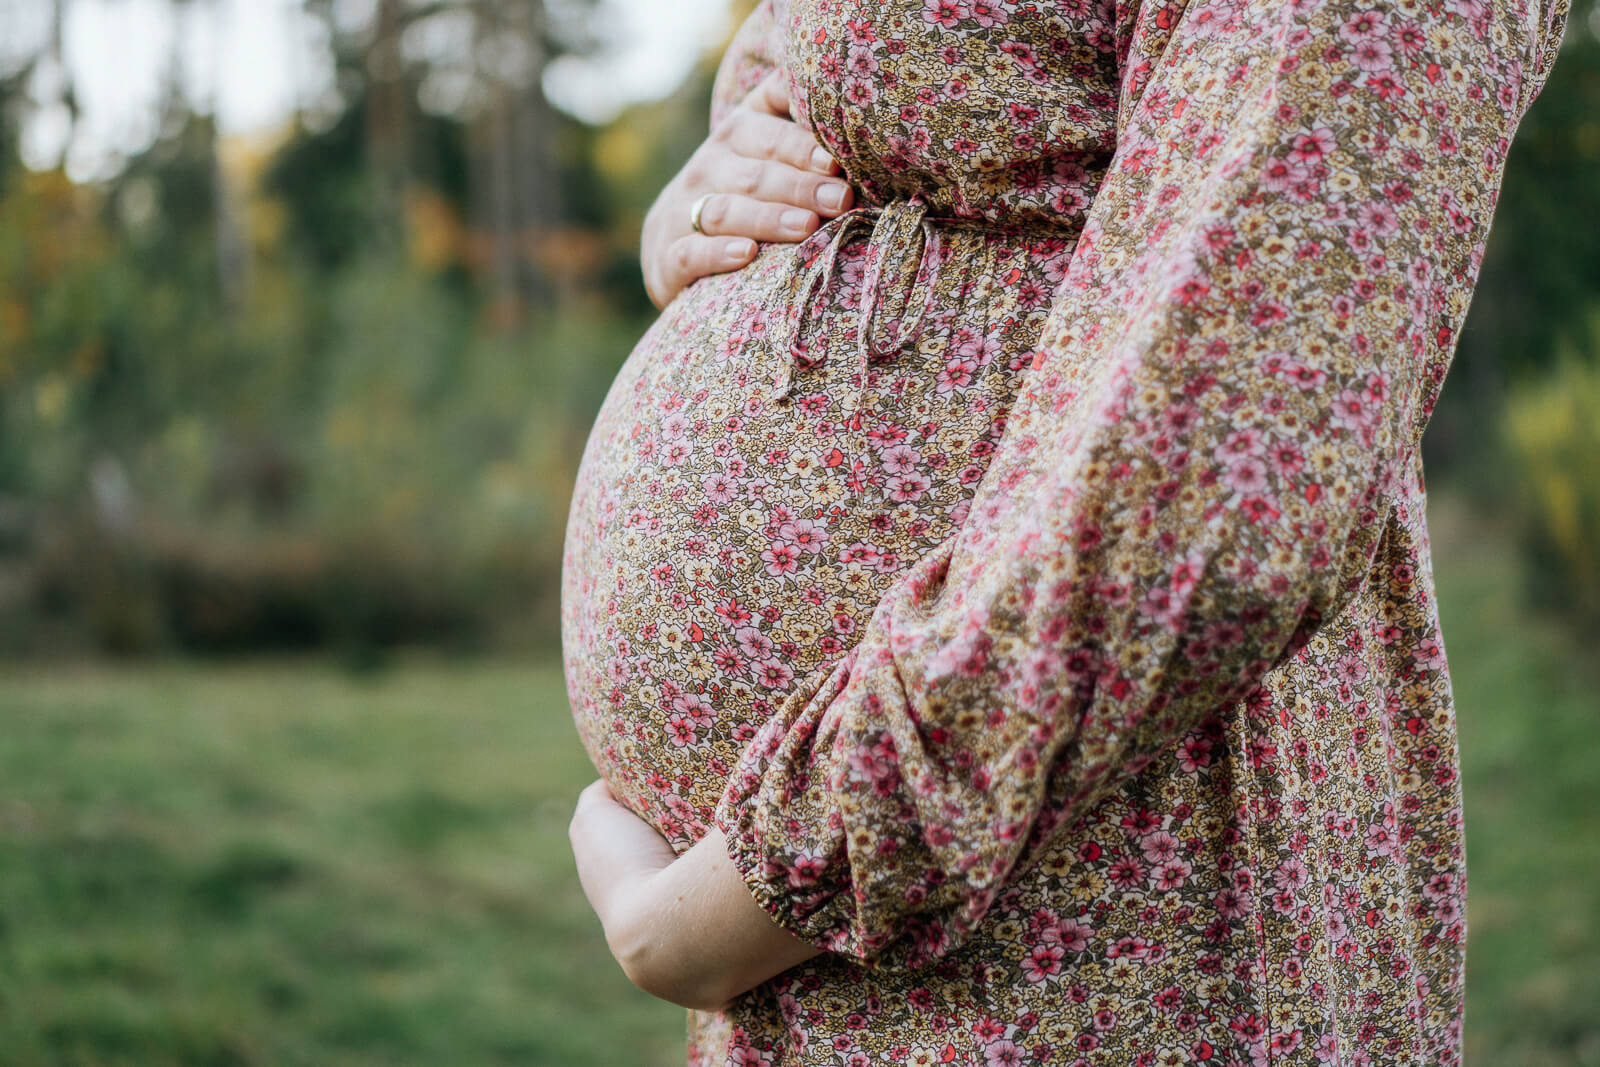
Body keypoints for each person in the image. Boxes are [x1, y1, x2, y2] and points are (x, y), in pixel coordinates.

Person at [563, 0, 1572, 1063]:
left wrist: (758, 892)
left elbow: (1231, 452)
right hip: (842, 939)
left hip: (1088, 896)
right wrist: (699, 202)